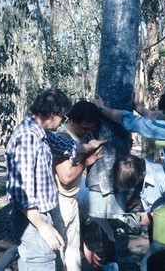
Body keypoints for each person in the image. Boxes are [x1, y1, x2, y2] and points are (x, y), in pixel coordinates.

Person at [5, 89, 106, 271]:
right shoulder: (28, 137)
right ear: (53, 115)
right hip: (32, 219)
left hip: (43, 214)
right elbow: (21, 192)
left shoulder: (41, 133)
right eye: (63, 117)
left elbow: (65, 145)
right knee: (39, 264)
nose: (63, 122)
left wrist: (88, 146)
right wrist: (42, 225)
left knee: (51, 262)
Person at [51, 100, 103, 270]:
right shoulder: (62, 139)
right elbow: (65, 177)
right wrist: (87, 162)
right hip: (60, 201)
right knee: (60, 249)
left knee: (72, 251)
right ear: (72, 121)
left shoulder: (84, 136)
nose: (87, 132)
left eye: (90, 129)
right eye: (84, 128)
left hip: (72, 198)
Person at [112, 154, 165, 271]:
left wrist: (151, 216)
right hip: (155, 227)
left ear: (138, 178)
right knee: (156, 265)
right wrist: (124, 211)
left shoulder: (161, 178)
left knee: (147, 264)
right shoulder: (139, 169)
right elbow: (138, 194)